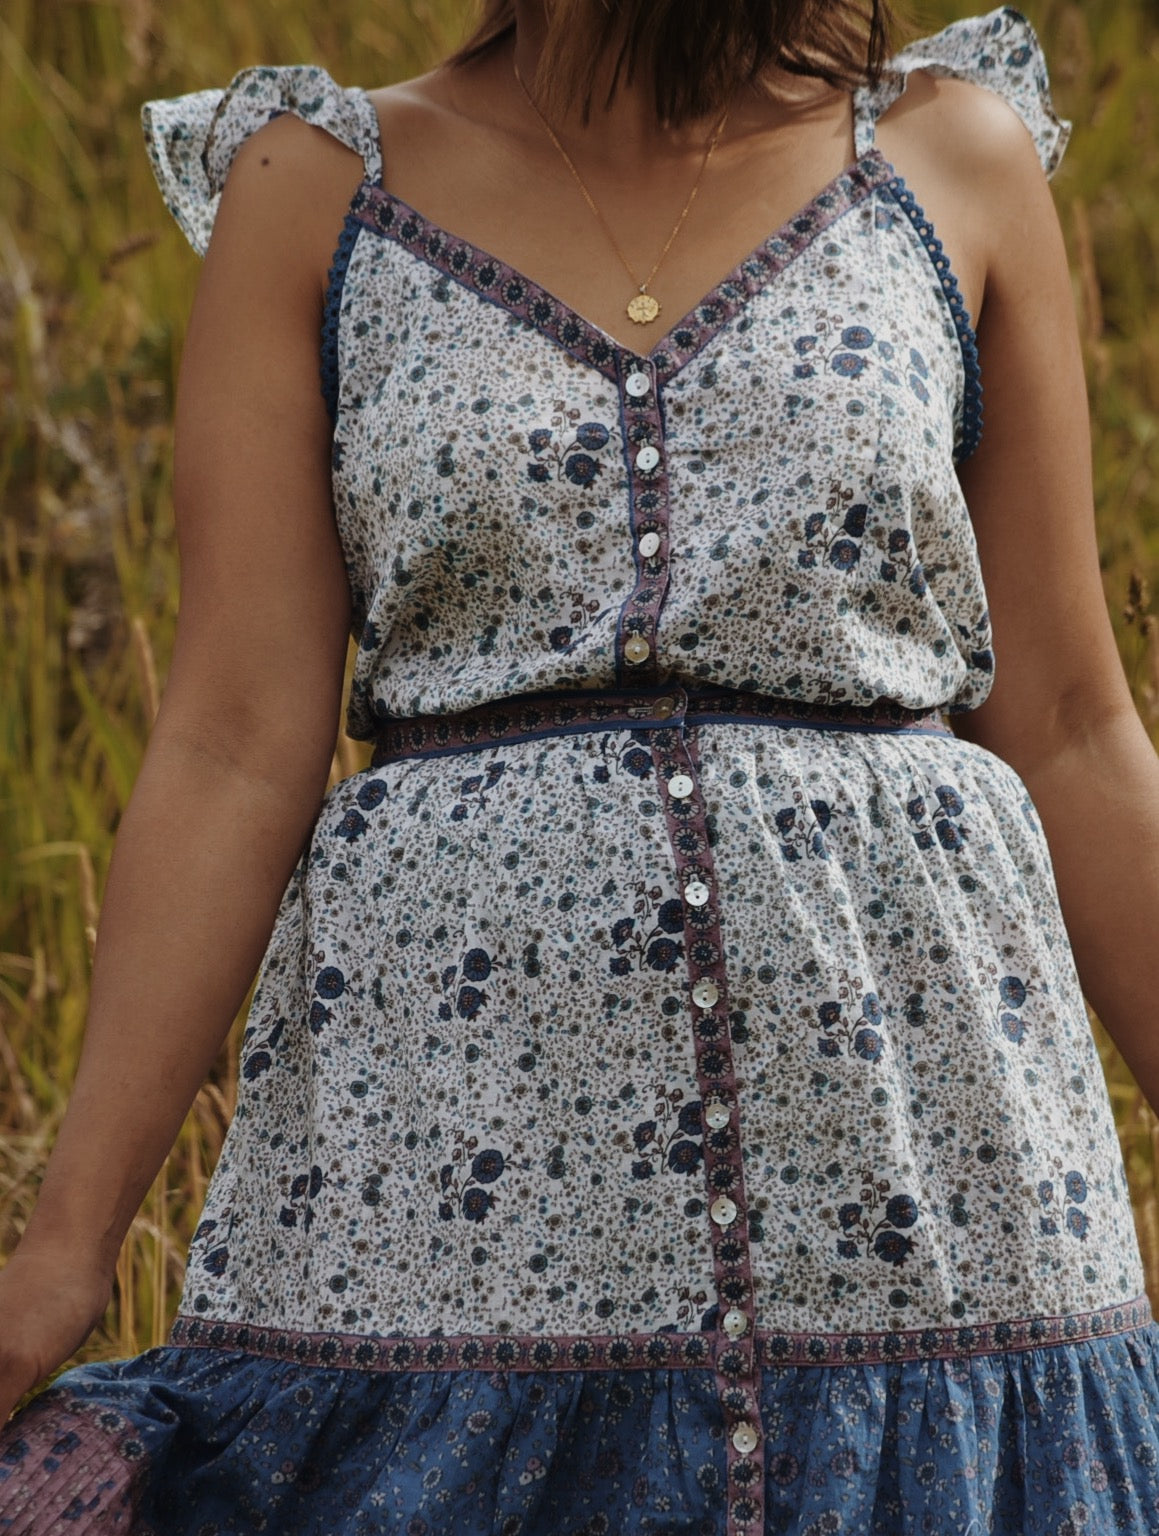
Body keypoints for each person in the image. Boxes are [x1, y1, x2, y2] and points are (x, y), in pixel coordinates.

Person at [4, 0, 1159, 1529]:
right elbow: (231, 743)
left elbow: (1072, 727)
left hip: (930, 1211)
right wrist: (66, 1247)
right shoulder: (316, 188)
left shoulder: (952, 159)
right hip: (450, 1219)